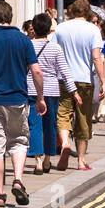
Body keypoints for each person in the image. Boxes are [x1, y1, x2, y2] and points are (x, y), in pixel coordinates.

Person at [0, 1, 44, 207]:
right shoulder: (23, 40)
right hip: (18, 99)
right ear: (10, 16)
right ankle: (18, 181)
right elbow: (37, 71)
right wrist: (40, 97)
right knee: (19, 141)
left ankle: (0, 194)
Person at [55, 0, 105, 171]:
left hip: (63, 78)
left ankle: (64, 143)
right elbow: (96, 57)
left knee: (63, 113)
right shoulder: (93, 30)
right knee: (83, 118)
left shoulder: (60, 28)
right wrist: (103, 80)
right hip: (84, 79)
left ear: (72, 11)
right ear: (86, 12)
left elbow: (54, 52)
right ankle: (81, 161)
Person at [24, 12, 74, 176]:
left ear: (34, 28)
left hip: (31, 89)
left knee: (34, 126)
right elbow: (65, 72)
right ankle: (47, 159)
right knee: (50, 125)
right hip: (52, 90)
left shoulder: (28, 45)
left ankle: (37, 161)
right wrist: (74, 91)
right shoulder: (55, 48)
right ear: (49, 29)